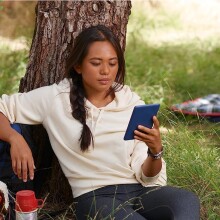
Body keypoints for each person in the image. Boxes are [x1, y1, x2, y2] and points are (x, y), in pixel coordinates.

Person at [0, 25, 200, 220]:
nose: (105, 71)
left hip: (140, 192)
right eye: (96, 63)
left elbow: (148, 177)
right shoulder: (56, 98)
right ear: (78, 66)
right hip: (95, 198)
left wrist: (155, 151)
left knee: (186, 201)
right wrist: (14, 138)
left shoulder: (131, 102)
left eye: (112, 63)